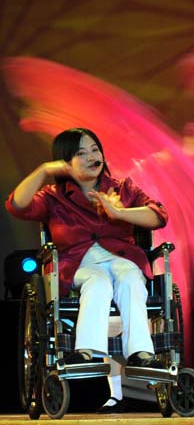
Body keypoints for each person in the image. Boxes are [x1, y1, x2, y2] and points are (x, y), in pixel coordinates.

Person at [5, 127, 168, 413]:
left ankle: (141, 353)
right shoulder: (53, 196)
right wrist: (44, 170)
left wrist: (118, 213)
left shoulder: (121, 188)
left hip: (120, 256)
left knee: (131, 276)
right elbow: (17, 205)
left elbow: (158, 215)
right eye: (81, 153)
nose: (93, 157)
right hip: (76, 263)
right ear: (65, 163)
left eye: (95, 149)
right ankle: (89, 352)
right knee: (98, 281)